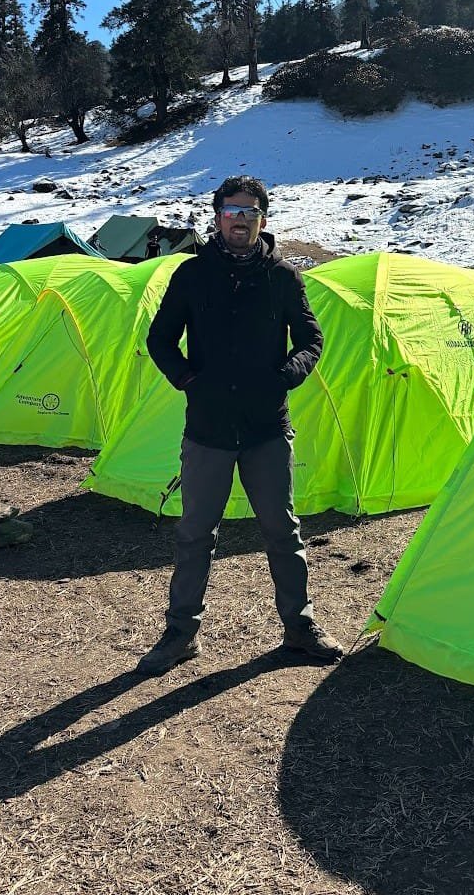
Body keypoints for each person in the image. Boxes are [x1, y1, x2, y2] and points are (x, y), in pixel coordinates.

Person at [137, 175, 343, 676]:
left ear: (263, 219)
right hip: (207, 428)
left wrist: (286, 377)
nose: (240, 219)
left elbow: (311, 339)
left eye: (250, 211)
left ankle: (299, 627)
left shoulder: (283, 277)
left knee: (282, 531)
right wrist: (187, 378)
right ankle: (181, 633)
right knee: (194, 534)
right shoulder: (191, 275)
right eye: (232, 210)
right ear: (217, 217)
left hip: (266, 428)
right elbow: (160, 339)